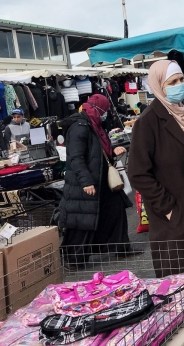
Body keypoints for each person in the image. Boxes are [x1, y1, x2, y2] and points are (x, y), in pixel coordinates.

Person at [128, 60, 184, 278]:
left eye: (181, 79)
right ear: (158, 86)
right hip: (173, 220)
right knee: (180, 288)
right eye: (172, 81)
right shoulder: (148, 122)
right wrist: (168, 207)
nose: (179, 85)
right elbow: (137, 172)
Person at [59, 94, 131, 266]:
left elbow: (97, 150)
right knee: (83, 221)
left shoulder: (93, 124)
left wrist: (112, 151)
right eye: (105, 111)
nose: (106, 114)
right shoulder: (80, 127)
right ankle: (73, 259)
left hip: (101, 179)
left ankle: (121, 248)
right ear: (98, 110)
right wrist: (86, 182)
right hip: (87, 181)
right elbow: (75, 158)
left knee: (116, 209)